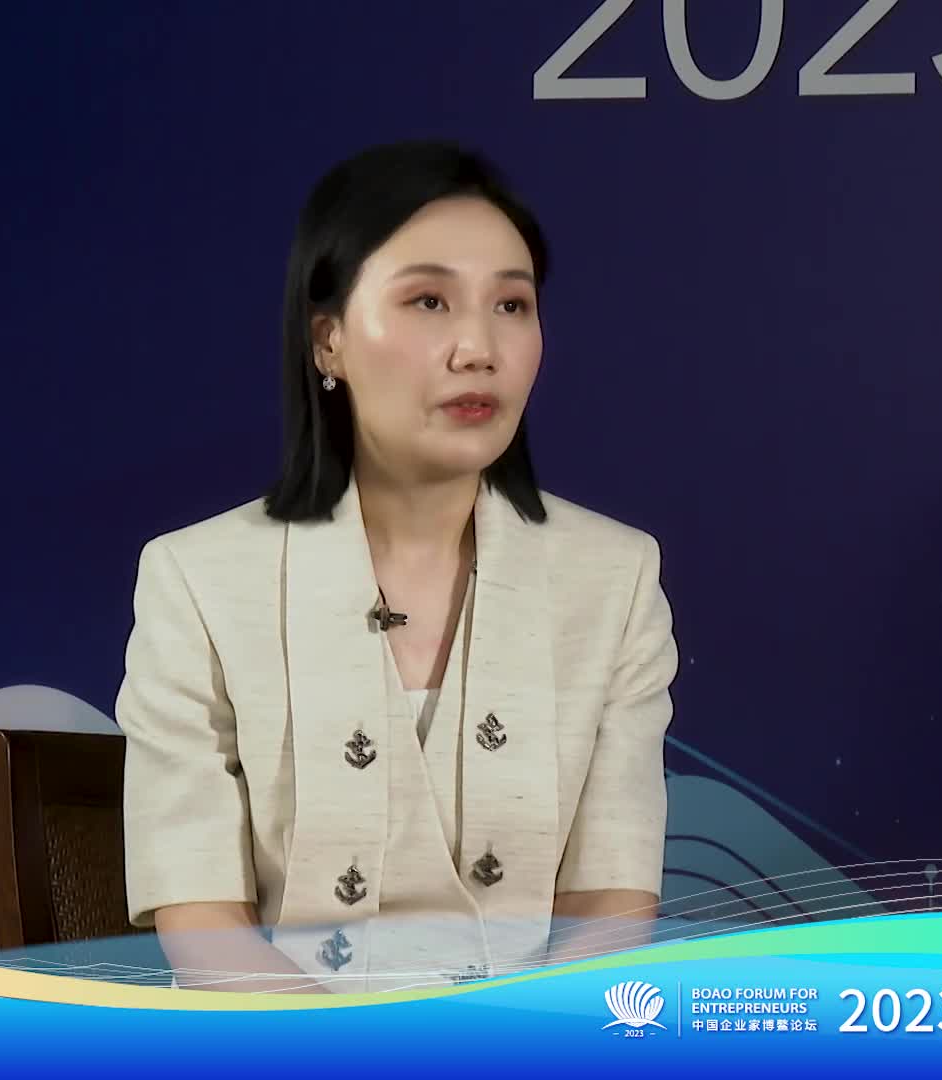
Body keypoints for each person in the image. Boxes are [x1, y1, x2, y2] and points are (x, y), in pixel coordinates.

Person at [116, 141, 678, 994]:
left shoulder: (616, 580)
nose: (478, 348)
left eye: (512, 305)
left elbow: (611, 902)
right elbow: (202, 922)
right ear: (328, 340)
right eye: (428, 301)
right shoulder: (196, 582)